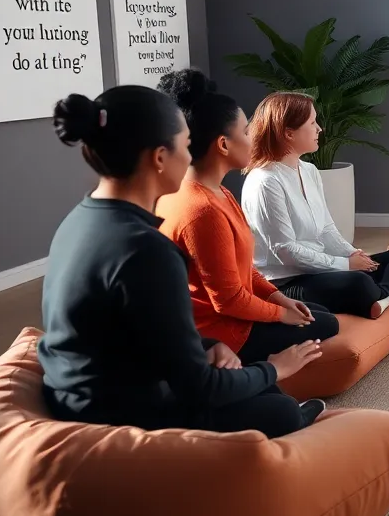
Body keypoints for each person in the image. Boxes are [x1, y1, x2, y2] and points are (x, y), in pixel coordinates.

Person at [39, 86, 324, 438]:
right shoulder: (148, 251)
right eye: (186, 145)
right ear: (160, 157)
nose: (191, 157)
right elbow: (200, 387)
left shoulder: (80, 218)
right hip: (112, 411)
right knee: (279, 408)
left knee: (260, 389)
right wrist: (275, 368)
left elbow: (136, 330)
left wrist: (209, 346)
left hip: (82, 390)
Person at [156, 69, 340, 364]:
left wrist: (279, 299)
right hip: (222, 332)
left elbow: (246, 270)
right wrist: (280, 314)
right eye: (245, 132)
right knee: (327, 323)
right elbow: (228, 301)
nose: (254, 138)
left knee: (319, 314)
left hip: (234, 312)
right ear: (223, 144)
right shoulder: (202, 210)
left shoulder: (219, 193)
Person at [242, 92, 389, 319]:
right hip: (286, 282)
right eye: (312, 123)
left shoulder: (309, 171)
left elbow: (326, 228)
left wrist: (352, 254)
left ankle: (382, 295)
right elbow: (286, 252)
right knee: (359, 283)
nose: (319, 128)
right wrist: (345, 265)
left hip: (321, 270)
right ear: (288, 133)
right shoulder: (265, 181)